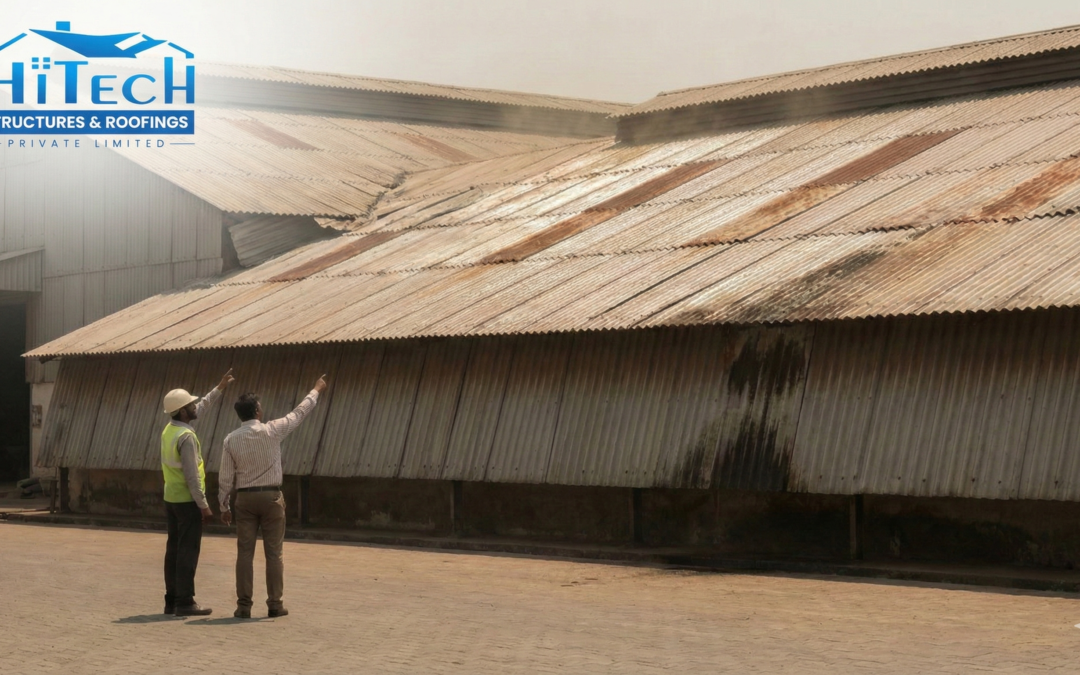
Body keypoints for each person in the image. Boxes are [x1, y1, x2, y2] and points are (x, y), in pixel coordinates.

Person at [219, 375, 328, 619]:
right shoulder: (272, 430)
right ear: (257, 410)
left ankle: (243, 606)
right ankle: (275, 604)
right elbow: (298, 414)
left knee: (244, 553)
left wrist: (223, 505)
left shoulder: (230, 440)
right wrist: (316, 389)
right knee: (274, 553)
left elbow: (226, 477)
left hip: (245, 500)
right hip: (271, 498)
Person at [161, 369, 235, 617]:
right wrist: (204, 505)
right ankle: (185, 601)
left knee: (173, 550)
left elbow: (201, 407)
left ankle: (171, 601)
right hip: (186, 502)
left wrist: (220, 387)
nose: (195, 405)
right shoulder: (187, 437)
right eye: (191, 404)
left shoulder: (170, 429)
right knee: (187, 552)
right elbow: (193, 476)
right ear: (183, 411)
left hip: (171, 499)